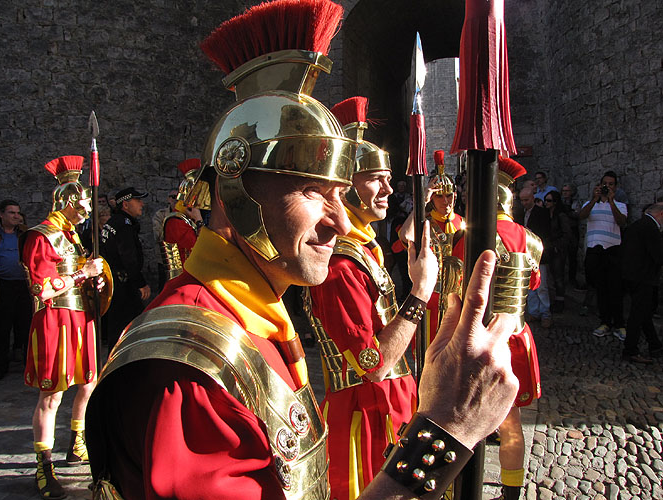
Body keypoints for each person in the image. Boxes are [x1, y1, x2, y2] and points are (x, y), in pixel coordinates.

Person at [85, 2, 518, 499]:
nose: (340, 221)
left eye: (341, 193)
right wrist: (446, 431)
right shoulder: (188, 372)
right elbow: (369, 362)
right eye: (312, 190)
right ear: (234, 190)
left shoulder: (256, 315)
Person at [304, 96, 437, 499]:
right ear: (345, 188)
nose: (388, 189)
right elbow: (374, 365)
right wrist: (420, 292)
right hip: (365, 413)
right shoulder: (339, 267)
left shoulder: (365, 247)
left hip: (390, 402)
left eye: (389, 178)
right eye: (376, 179)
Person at [20, 156, 106, 499]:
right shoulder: (41, 237)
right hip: (55, 319)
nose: (88, 208)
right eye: (83, 202)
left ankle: (77, 443)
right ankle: (44, 466)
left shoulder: (72, 237)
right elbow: (42, 289)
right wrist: (83, 274)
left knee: (89, 383)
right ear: (69, 201)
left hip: (81, 317)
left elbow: (81, 275)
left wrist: (97, 281)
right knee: (52, 395)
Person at [491, 157, 543, 500]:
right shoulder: (532, 240)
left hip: (484, 338)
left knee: (466, 418)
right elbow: (534, 284)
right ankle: (511, 494)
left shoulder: (472, 235)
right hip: (518, 337)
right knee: (512, 423)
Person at [401, 150, 465, 342]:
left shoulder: (463, 223)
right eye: (439, 197)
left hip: (458, 299)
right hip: (431, 296)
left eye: (449, 196)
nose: (445, 201)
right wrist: (423, 200)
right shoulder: (424, 223)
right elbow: (405, 235)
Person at [578, 170, 627, 339]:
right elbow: (582, 216)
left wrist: (611, 201)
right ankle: (605, 321)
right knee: (601, 288)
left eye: (611, 184)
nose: (607, 187)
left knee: (616, 288)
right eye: (605, 184)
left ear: (615, 187)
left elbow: (622, 221)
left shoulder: (620, 205)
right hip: (595, 249)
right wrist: (594, 199)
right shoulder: (590, 204)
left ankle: (619, 324)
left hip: (613, 249)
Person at [101, 187, 150, 351]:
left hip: (115, 282)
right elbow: (128, 257)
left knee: (119, 326)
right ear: (126, 204)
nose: (142, 204)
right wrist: (140, 283)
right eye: (138, 200)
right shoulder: (123, 225)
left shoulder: (113, 222)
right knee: (129, 326)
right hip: (123, 284)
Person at [620, 202, 663, 363]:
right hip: (643, 277)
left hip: (632, 275)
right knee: (638, 315)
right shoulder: (650, 228)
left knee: (644, 313)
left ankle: (655, 345)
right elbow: (658, 255)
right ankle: (630, 349)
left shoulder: (637, 225)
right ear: (661, 214)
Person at [0, 200, 32, 378]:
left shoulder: (25, 233)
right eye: (11, 213)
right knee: (2, 327)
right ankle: (0, 366)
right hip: (3, 285)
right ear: (1, 214)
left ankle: (28, 366)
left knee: (26, 325)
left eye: (18, 212)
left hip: (24, 285)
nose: (16, 216)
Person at [161, 158, 206, 280]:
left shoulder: (186, 219)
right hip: (182, 279)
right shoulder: (176, 222)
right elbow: (201, 249)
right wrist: (199, 220)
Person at [516, 187, 552, 327]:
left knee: (542, 286)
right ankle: (534, 311)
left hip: (539, 253)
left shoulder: (542, 213)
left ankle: (545, 313)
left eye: (526, 200)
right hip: (525, 253)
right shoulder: (520, 213)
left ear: (533, 198)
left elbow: (546, 233)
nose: (524, 203)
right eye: (522, 200)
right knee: (529, 286)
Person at [544, 190, 571, 313]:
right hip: (550, 247)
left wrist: (558, 246)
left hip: (558, 249)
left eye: (549, 200)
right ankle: (556, 299)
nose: (546, 203)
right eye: (546, 200)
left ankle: (560, 301)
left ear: (555, 202)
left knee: (559, 276)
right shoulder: (547, 214)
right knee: (553, 275)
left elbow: (567, 233)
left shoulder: (561, 215)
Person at [152, 188, 178, 291]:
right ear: (168, 199)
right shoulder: (161, 215)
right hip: (165, 258)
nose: (176, 200)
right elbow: (158, 235)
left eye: (178, 197)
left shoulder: (187, 214)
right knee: (164, 287)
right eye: (173, 197)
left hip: (182, 258)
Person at [561, 183, 581, 288]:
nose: (565, 193)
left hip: (572, 230)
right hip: (562, 231)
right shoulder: (560, 202)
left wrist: (568, 211)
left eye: (567, 191)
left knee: (572, 256)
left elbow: (577, 214)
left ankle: (572, 279)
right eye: (563, 191)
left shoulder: (575, 202)